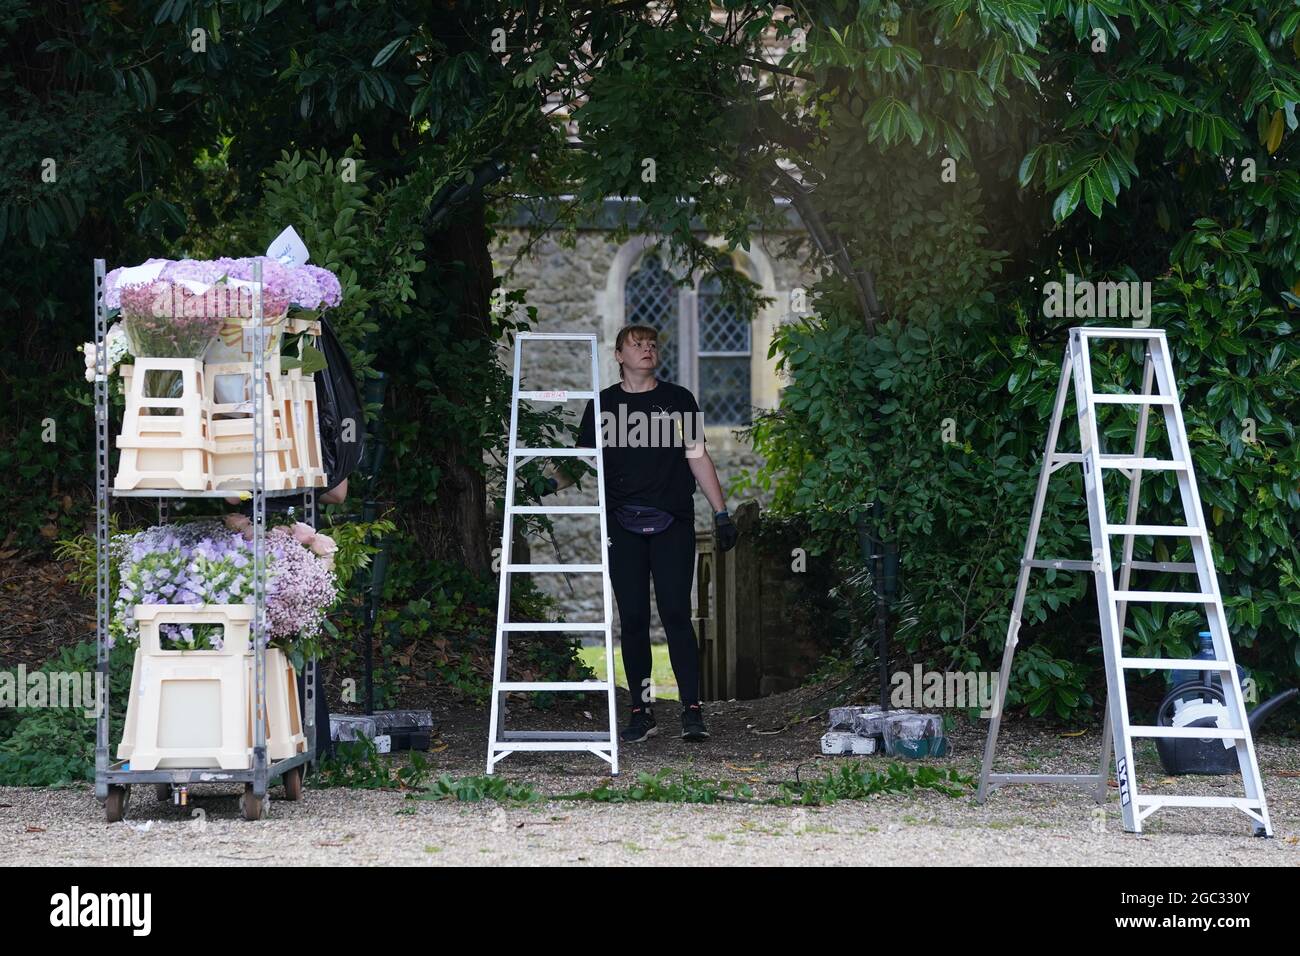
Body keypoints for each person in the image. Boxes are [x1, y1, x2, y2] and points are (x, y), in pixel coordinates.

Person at [544, 324, 738, 743]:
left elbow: (698, 457)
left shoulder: (679, 400)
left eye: (652, 344)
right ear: (618, 355)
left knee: (674, 615)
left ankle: (691, 711)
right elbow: (578, 463)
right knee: (632, 619)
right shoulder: (602, 406)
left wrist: (721, 513)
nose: (647, 350)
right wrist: (543, 484)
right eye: (637, 345)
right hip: (622, 525)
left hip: (673, 521)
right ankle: (641, 711)